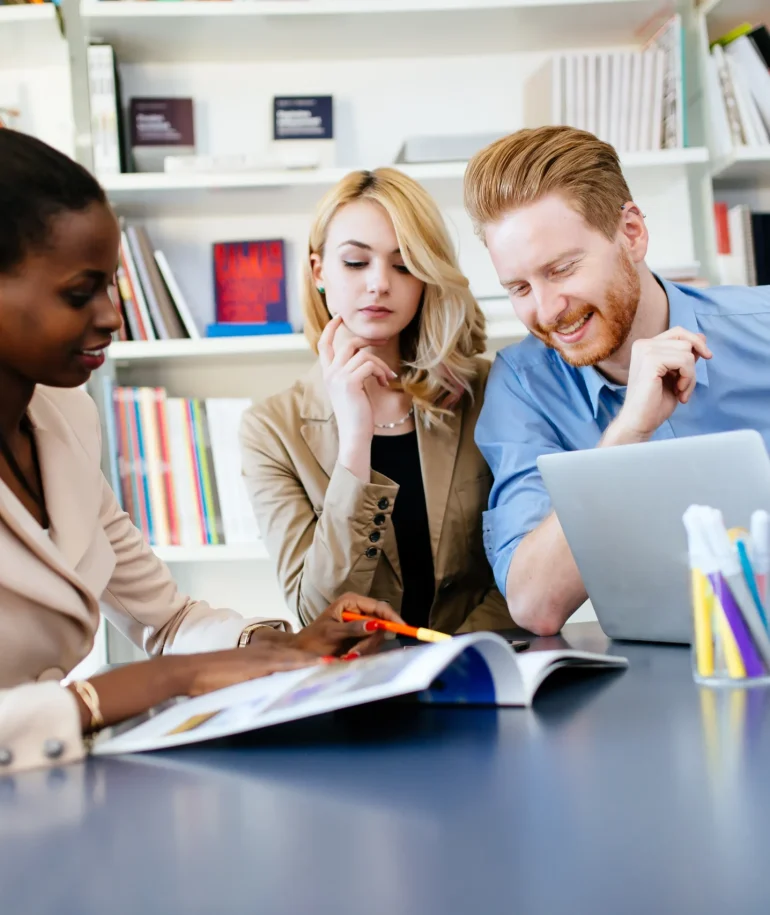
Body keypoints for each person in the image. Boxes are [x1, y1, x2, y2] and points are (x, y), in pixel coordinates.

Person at [0, 129, 403, 777]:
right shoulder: (272, 426)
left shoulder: (67, 420)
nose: (111, 317)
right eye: (79, 293)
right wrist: (163, 680)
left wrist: (281, 644)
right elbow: (166, 664)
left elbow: (167, 618)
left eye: (112, 287)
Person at [464, 125, 770, 636]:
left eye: (562, 269)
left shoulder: (762, 328)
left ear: (631, 233)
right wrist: (627, 435)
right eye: (519, 287)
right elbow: (534, 603)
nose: (546, 311)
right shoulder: (523, 386)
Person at [240, 168, 510, 634]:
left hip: (483, 660)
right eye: (355, 262)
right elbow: (317, 613)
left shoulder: (487, 391)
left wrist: (454, 656)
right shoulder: (271, 430)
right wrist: (355, 441)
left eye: (404, 265)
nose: (380, 283)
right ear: (319, 271)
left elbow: (518, 571)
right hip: (358, 673)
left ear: (427, 277)